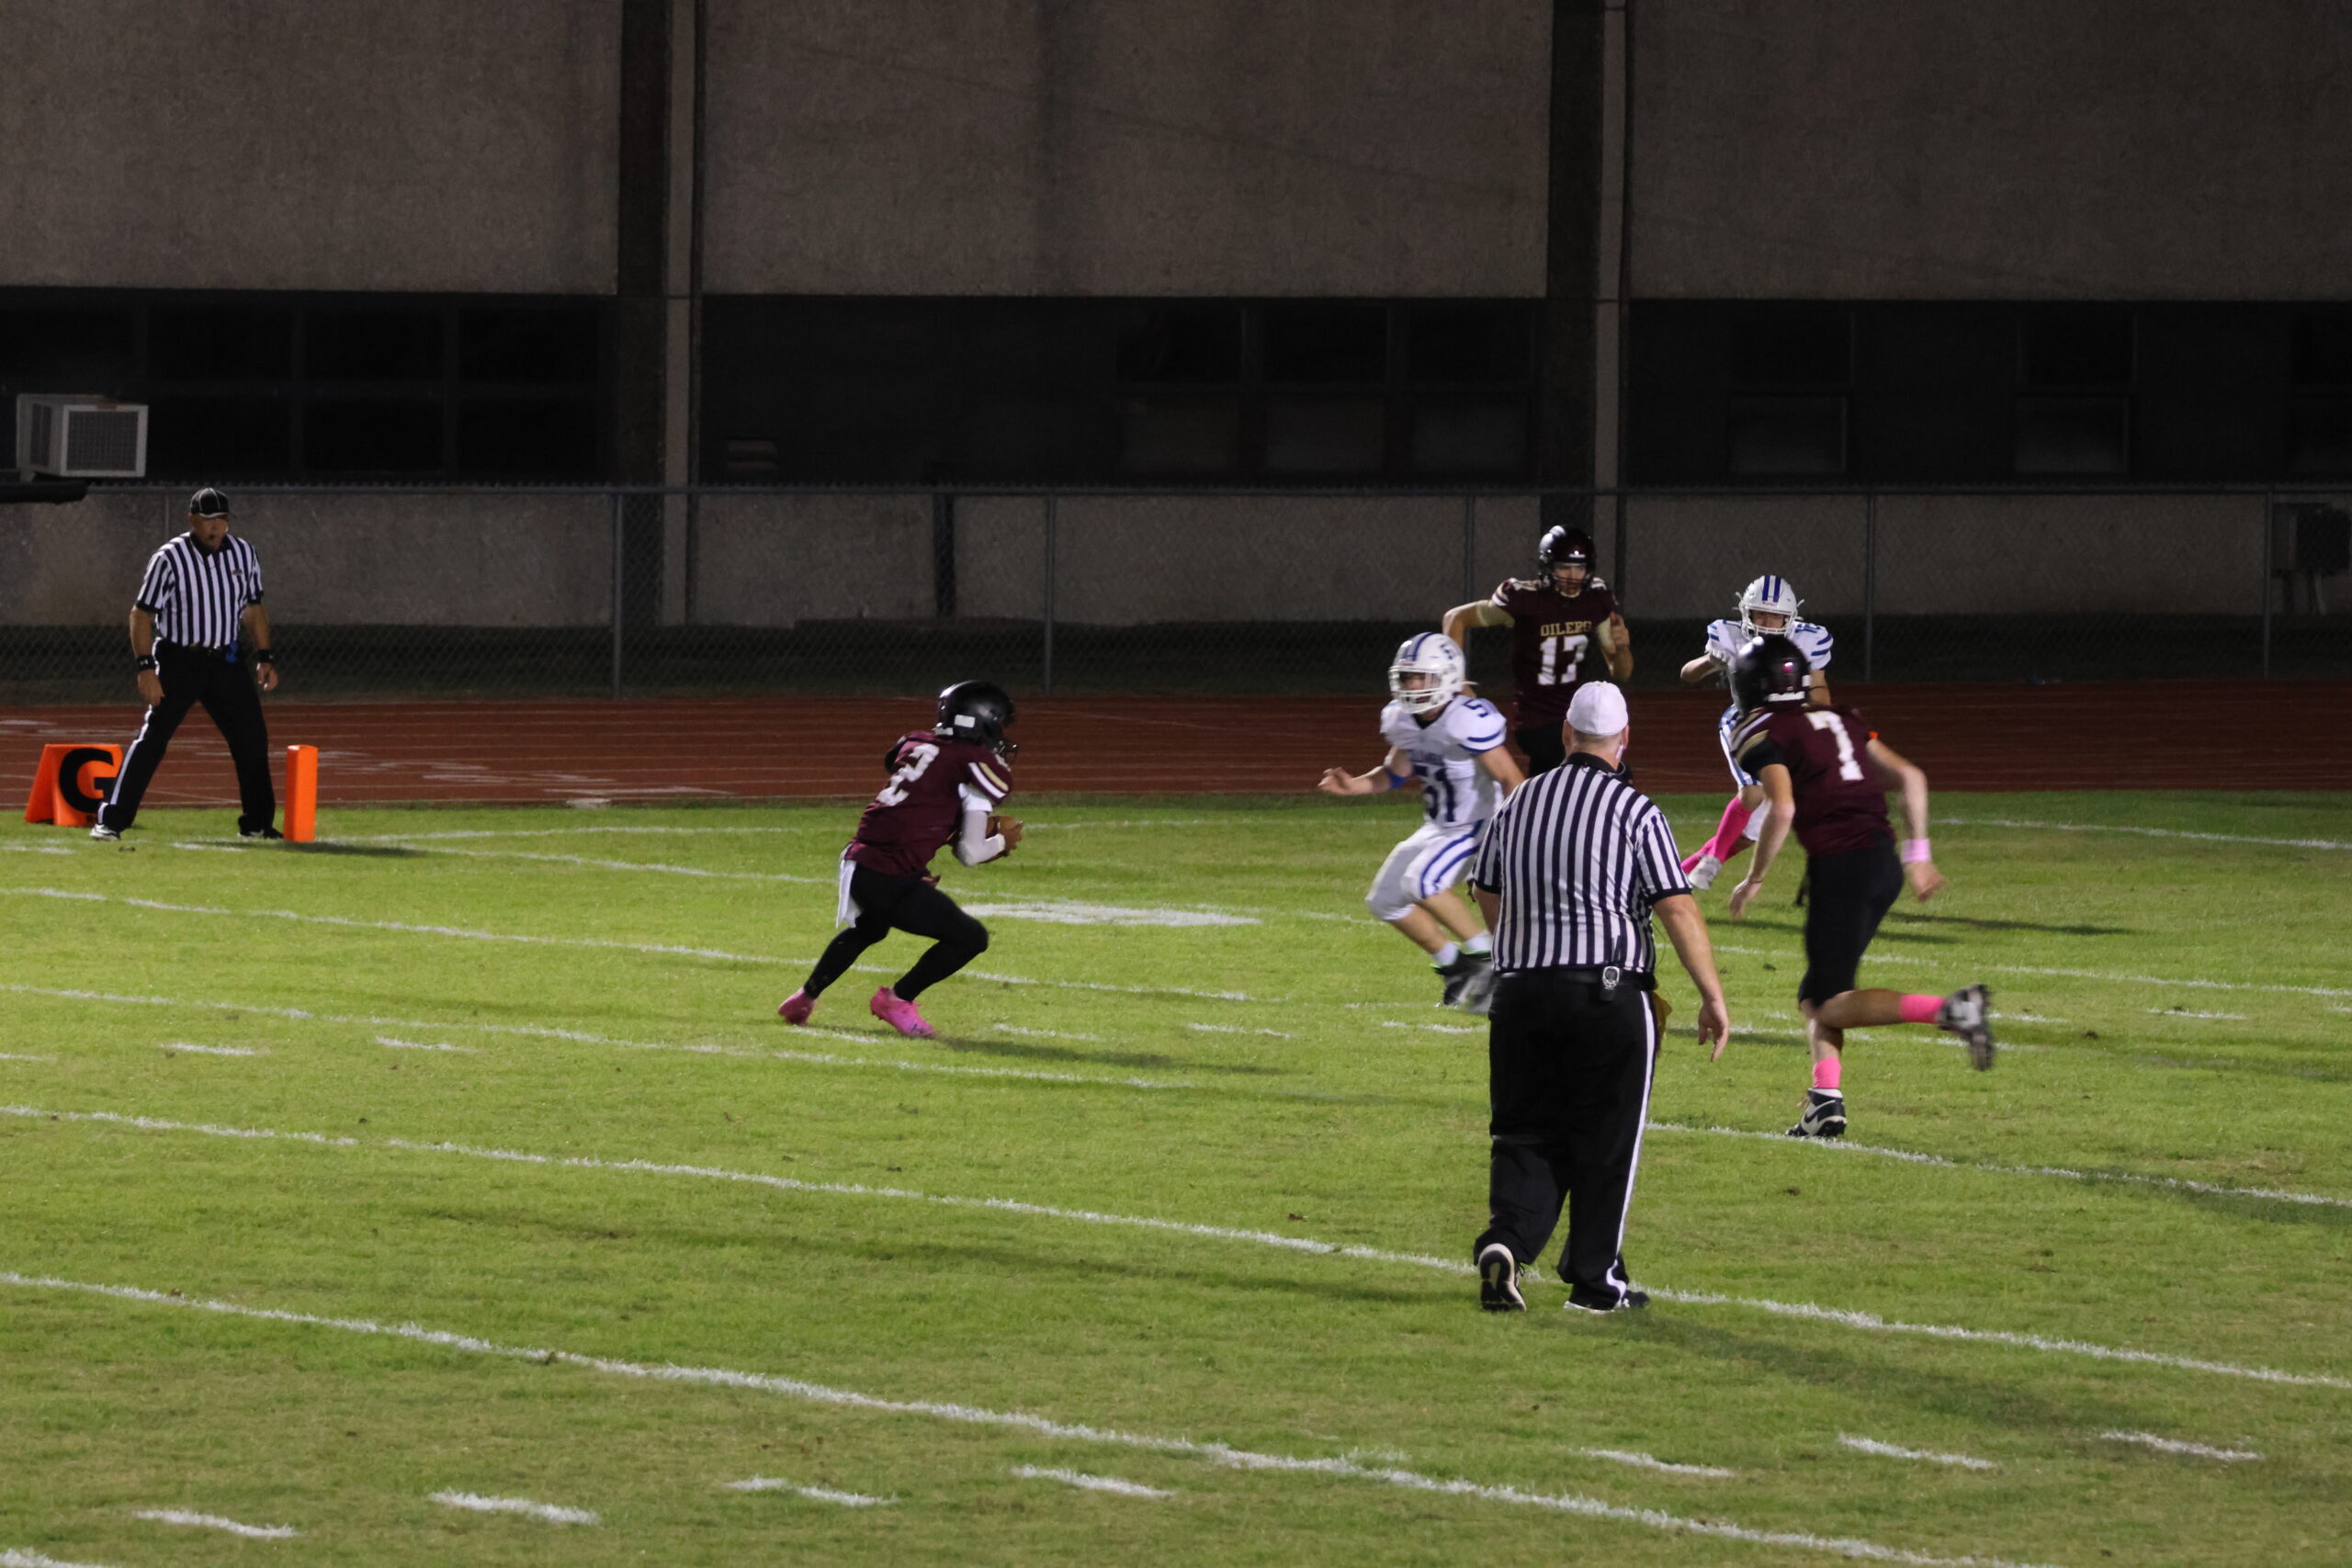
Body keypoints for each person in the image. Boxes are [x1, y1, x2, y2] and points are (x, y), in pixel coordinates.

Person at [1466, 681, 1731, 1314]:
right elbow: (1676, 906)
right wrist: (1711, 994)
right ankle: (1594, 1281)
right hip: (1606, 993)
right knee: (1606, 1139)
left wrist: (1520, 949)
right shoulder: (1636, 810)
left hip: (1521, 992)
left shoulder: (1519, 801)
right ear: (1624, 739)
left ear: (1565, 734)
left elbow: (1486, 887)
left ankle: (1507, 1242)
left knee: (1524, 1132)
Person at [1722, 634, 1995, 1140]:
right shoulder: (1841, 717)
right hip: (1881, 863)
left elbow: (1781, 806)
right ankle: (1824, 1102)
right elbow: (1912, 776)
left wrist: (1754, 878)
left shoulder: (1759, 729)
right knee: (1817, 994)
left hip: (1842, 867)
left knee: (1829, 1002)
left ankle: (1950, 1010)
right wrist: (1918, 858)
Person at [777, 681, 1023, 1040]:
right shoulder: (971, 765)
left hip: (860, 861)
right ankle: (896, 1001)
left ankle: (804, 997)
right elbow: (969, 853)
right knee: (971, 938)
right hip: (887, 872)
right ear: (983, 722)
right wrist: (1001, 841)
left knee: (870, 929)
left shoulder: (920, 745)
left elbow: (910, 811)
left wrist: (915, 866)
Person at [1319, 633, 1524, 1006]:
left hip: (1480, 824)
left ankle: (1490, 959)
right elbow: (1394, 773)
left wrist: (1512, 835)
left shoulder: (1466, 719)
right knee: (1384, 900)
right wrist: (1355, 786)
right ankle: (1456, 967)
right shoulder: (1403, 719)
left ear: (1448, 677)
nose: (1413, 685)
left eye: (1421, 677)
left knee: (1423, 881)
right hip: (1440, 827)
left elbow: (1511, 779)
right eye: (1407, 677)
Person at [92, 487, 280, 841]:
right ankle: (111, 819)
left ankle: (257, 823)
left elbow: (253, 608)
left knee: (252, 738)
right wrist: (146, 667)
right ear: (191, 519)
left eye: (222, 519)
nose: (216, 526)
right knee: (154, 738)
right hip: (180, 659)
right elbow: (141, 614)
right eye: (208, 519)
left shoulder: (244, 553)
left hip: (226, 659)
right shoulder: (170, 558)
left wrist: (265, 656)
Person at [1675, 574, 1832, 889]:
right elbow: (1686, 675)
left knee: (1748, 835)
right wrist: (1709, 661)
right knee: (1753, 793)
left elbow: (1820, 690)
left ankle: (1675, 877)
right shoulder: (1729, 635)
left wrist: (1815, 717)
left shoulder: (1810, 639)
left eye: (1775, 616)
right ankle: (1713, 860)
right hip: (1745, 723)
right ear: (1746, 612)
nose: (1767, 622)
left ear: (1790, 618)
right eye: (1760, 614)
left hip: (1786, 728)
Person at [1442, 525, 1632, 775]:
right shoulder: (1526, 599)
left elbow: (1622, 673)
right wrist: (1457, 680)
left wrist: (1622, 648)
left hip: (1574, 714)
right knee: (1595, 773)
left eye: (1579, 568)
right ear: (1548, 567)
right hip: (1535, 719)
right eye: (1564, 567)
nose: (1572, 576)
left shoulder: (1596, 599)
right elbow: (1455, 618)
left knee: (1610, 772)